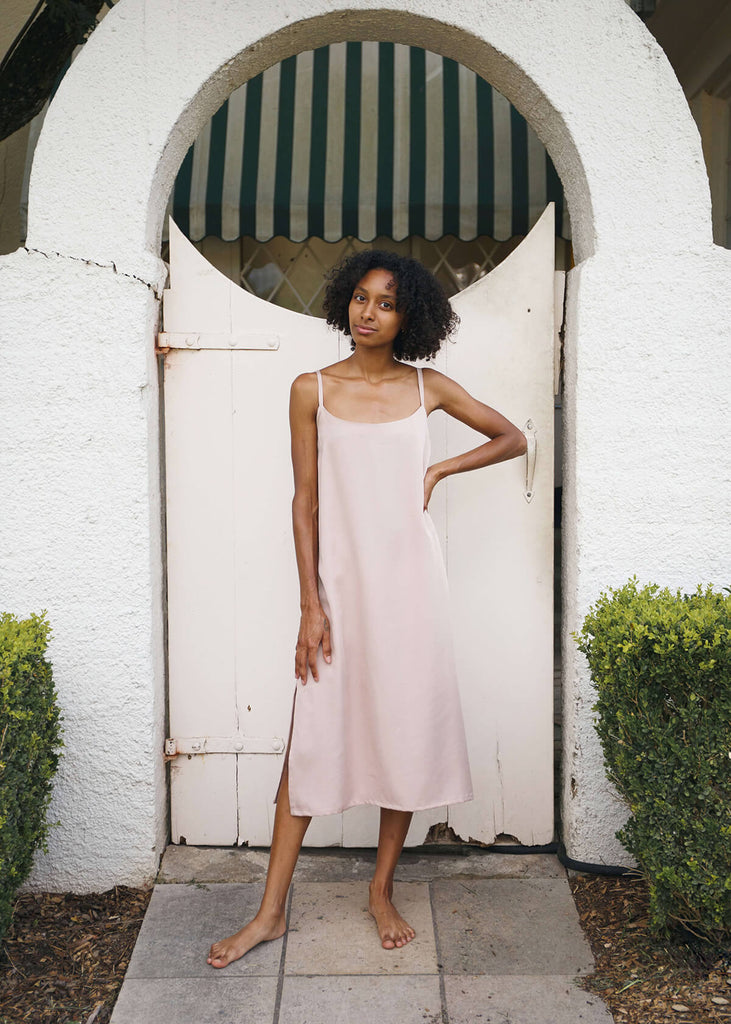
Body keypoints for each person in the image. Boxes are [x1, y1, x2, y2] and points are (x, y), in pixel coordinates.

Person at [207, 250, 527, 968]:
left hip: (413, 588)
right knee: (308, 739)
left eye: (385, 302)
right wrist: (308, 606)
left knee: (405, 733)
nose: (368, 311)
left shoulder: (428, 388)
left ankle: (381, 889)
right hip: (339, 594)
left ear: (408, 316)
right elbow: (304, 502)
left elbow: (512, 437)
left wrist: (441, 467)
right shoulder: (309, 389)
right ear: (342, 305)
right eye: (359, 297)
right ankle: (269, 912)